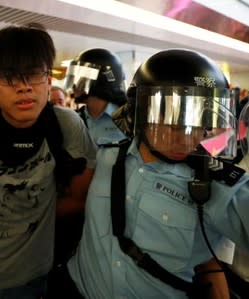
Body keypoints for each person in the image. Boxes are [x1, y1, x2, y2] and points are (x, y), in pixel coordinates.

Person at [66, 48, 249, 298]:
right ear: (142, 111)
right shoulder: (105, 155)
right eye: (174, 119)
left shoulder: (210, 185)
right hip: (78, 286)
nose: (187, 137)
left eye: (199, 123)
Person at [0, 23, 97, 299]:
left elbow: (80, 195)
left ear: (49, 80)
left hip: (37, 276)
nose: (25, 87)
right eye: (10, 77)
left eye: (34, 74)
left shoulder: (66, 126)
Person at [65, 48, 128, 146]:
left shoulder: (128, 118)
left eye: (82, 79)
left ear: (101, 81)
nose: (74, 86)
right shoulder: (74, 120)